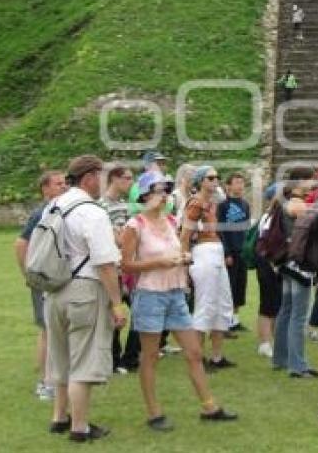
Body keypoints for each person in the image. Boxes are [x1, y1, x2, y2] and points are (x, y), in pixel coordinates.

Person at [121, 171, 237, 430]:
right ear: (144, 196)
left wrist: (184, 259)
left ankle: (209, 407)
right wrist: (159, 263)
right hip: (150, 295)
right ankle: (154, 414)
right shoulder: (134, 226)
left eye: (165, 191)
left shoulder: (172, 221)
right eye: (158, 191)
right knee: (150, 356)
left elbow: (181, 249)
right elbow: (126, 265)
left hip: (175, 293)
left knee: (194, 352)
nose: (163, 196)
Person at [44, 155, 126, 443]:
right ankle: (80, 427)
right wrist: (117, 302)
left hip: (53, 289)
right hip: (84, 289)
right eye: (102, 175)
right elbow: (105, 262)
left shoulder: (54, 205)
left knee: (60, 356)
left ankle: (59, 417)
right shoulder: (92, 211)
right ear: (90, 177)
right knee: (84, 358)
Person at [14, 170, 68, 401]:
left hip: (57, 278)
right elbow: (20, 244)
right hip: (44, 280)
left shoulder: (61, 210)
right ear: (45, 189)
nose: (63, 187)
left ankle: (60, 377)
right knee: (48, 330)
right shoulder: (41, 213)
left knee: (58, 330)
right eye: (58, 184)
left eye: (65, 183)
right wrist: (30, 275)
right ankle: (45, 383)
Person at [180, 166, 235, 370]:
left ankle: (217, 356)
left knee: (223, 303)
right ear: (201, 181)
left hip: (215, 251)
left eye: (217, 177)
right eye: (211, 177)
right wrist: (184, 266)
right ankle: (197, 358)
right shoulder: (195, 204)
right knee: (205, 305)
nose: (215, 180)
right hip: (203, 253)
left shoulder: (212, 203)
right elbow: (184, 236)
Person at [273, 167, 318, 378]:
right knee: (298, 315)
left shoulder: (284, 201)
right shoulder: (297, 204)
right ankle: (297, 365)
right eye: (311, 180)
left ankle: (281, 358)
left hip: (286, 263)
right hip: (298, 265)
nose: (314, 184)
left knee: (287, 311)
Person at [99, 164, 140, 374]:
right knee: (114, 316)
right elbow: (114, 239)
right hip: (112, 269)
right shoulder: (101, 206)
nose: (131, 182)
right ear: (114, 179)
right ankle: (114, 361)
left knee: (139, 312)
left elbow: (125, 237)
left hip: (127, 267)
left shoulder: (124, 205)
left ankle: (129, 358)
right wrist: (122, 238)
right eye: (127, 178)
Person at [217, 172, 251, 335]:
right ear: (228, 186)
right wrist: (226, 252)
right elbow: (220, 230)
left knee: (239, 287)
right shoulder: (222, 206)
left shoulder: (245, 204)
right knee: (227, 288)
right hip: (230, 251)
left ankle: (235, 320)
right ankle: (224, 323)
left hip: (242, 252)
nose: (240, 185)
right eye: (236, 182)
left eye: (242, 182)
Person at [256, 182, 283, 358]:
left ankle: (273, 339)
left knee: (277, 302)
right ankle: (265, 342)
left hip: (277, 262)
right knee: (268, 303)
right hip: (267, 262)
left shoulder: (279, 216)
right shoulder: (268, 217)